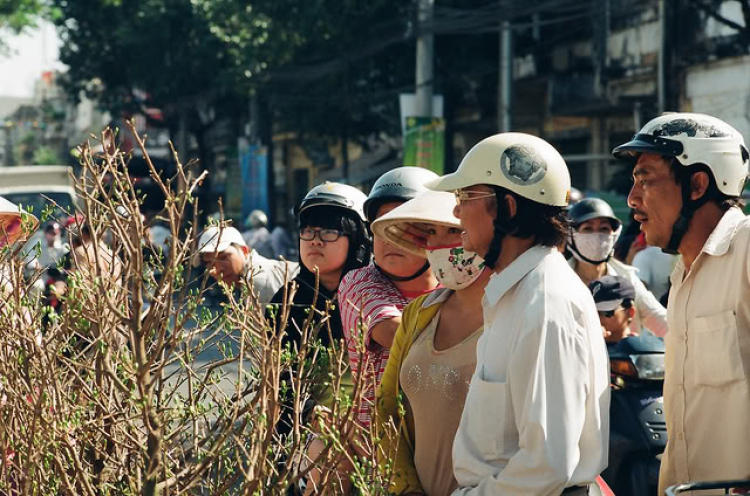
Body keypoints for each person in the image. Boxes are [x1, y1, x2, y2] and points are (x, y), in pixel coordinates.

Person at [427, 132, 610, 495]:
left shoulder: (545, 303)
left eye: (466, 197)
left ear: (507, 207)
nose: (456, 211)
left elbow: (546, 465)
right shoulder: (516, 293)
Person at [612, 112, 750, 493]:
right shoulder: (683, 273)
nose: (632, 199)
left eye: (646, 179)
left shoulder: (746, 249)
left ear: (697, 184)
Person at [373, 189, 489, 496]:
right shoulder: (418, 313)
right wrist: (406, 489)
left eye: (453, 230)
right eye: (429, 232)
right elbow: (386, 406)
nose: (438, 244)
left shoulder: (513, 313)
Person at [338, 166, 439, 430]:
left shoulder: (456, 285)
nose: (390, 238)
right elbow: (396, 334)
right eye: (382, 226)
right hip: (380, 448)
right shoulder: (359, 282)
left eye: (404, 226)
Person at [268, 181, 370, 424]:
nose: (315, 240)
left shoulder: (373, 296)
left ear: (358, 240)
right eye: (307, 231)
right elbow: (276, 377)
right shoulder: (288, 299)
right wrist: (308, 410)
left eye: (329, 231)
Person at [567, 197, 668, 337]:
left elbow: (660, 320)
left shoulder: (626, 278)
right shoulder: (561, 279)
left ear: (614, 235)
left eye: (604, 229)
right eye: (588, 229)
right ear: (572, 236)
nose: (596, 236)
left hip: (622, 358)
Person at [197, 225, 299, 304]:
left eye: (224, 258)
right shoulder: (247, 281)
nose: (218, 269)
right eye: (209, 263)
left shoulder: (257, 281)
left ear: (244, 251)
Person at [588, 275, 637, 348]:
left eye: (606, 312)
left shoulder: (641, 351)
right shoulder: (584, 346)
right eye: (593, 313)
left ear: (630, 312)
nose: (598, 317)